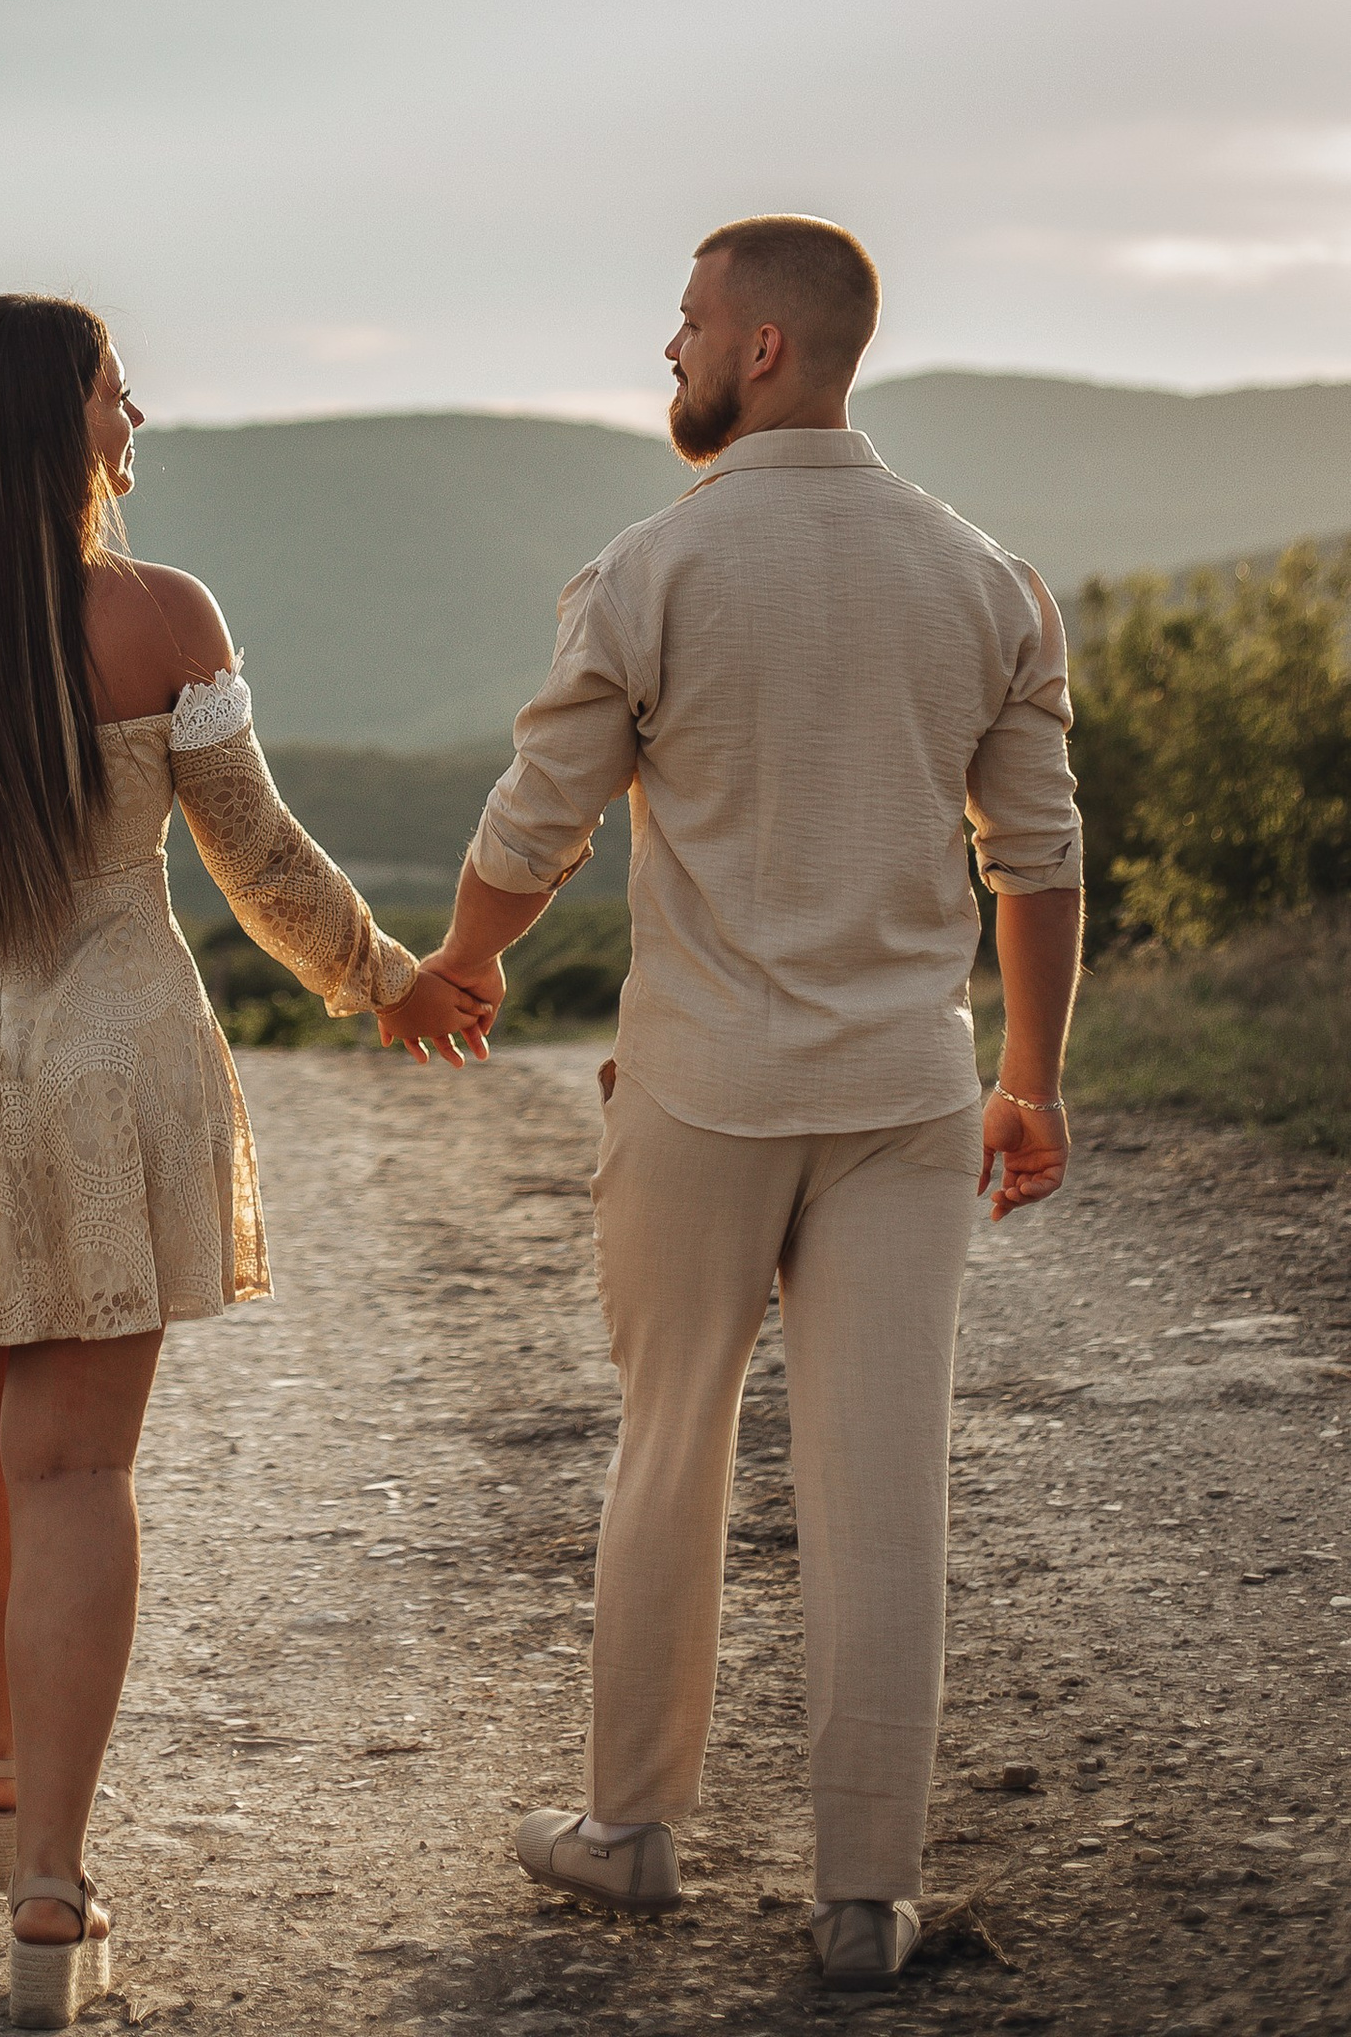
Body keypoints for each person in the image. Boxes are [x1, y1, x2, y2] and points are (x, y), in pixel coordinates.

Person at [0, 293, 493, 2027]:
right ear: (47, 418)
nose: (134, 407)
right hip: (115, 1055)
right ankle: (55, 1904)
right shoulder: (163, 618)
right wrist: (385, 980)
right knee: (77, 1473)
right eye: (111, 384)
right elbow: (260, 857)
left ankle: (0, 1772)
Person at [413, 215, 1083, 1991]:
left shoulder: (651, 570)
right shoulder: (987, 578)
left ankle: (630, 1830)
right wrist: (1031, 1080)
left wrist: (463, 964)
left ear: (765, 350)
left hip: (704, 1089)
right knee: (886, 1484)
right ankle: (868, 1894)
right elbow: (1040, 862)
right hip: (903, 1093)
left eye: (692, 320)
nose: (672, 347)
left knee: (673, 1440)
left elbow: (533, 823)